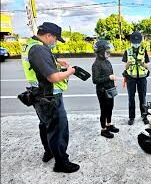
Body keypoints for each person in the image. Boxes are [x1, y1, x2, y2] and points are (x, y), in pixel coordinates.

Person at [20, 22, 80, 173]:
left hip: (38, 95)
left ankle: (49, 152)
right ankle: (61, 163)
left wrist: (56, 61)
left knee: (45, 125)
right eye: (56, 39)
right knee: (58, 130)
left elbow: (39, 65)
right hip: (49, 97)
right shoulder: (39, 49)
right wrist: (69, 71)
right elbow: (53, 77)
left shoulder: (31, 45)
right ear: (48, 35)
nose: (56, 42)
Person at [92, 40, 119, 138]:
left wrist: (112, 83)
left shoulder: (107, 61)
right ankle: (103, 129)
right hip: (102, 91)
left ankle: (109, 125)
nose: (109, 53)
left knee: (110, 108)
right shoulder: (96, 64)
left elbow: (109, 74)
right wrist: (109, 78)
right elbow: (95, 80)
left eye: (109, 51)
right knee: (104, 110)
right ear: (100, 52)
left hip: (109, 89)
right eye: (107, 51)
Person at [122, 31, 150, 125]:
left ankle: (144, 116)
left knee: (143, 97)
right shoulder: (128, 50)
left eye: (138, 42)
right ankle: (131, 117)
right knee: (131, 97)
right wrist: (128, 64)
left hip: (142, 77)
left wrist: (142, 64)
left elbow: (147, 67)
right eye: (134, 42)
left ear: (141, 41)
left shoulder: (143, 50)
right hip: (131, 77)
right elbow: (125, 67)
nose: (136, 44)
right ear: (131, 41)